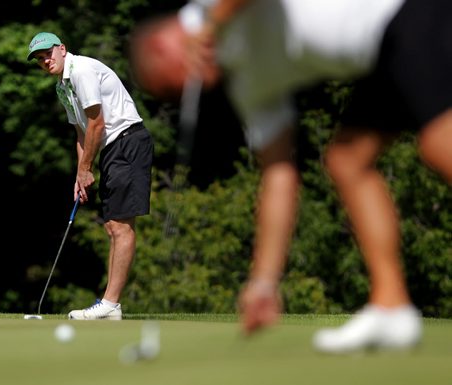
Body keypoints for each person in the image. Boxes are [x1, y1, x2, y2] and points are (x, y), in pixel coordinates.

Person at [129, 0, 452, 352]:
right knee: (348, 161)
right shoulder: (246, 81)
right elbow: (278, 173)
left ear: (162, 47)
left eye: (172, 87)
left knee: (440, 144)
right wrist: (264, 281)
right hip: (381, 51)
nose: (189, 91)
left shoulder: (207, 7)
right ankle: (391, 307)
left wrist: (212, 22)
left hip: (409, 12)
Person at [27, 32, 154, 320]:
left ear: (62, 48)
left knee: (121, 226)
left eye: (48, 53)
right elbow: (81, 132)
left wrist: (87, 169)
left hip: (127, 142)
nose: (45, 60)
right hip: (111, 149)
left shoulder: (81, 70)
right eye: (39, 58)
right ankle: (111, 305)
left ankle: (111, 304)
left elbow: (97, 123)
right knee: (111, 226)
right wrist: (79, 174)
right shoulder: (62, 87)